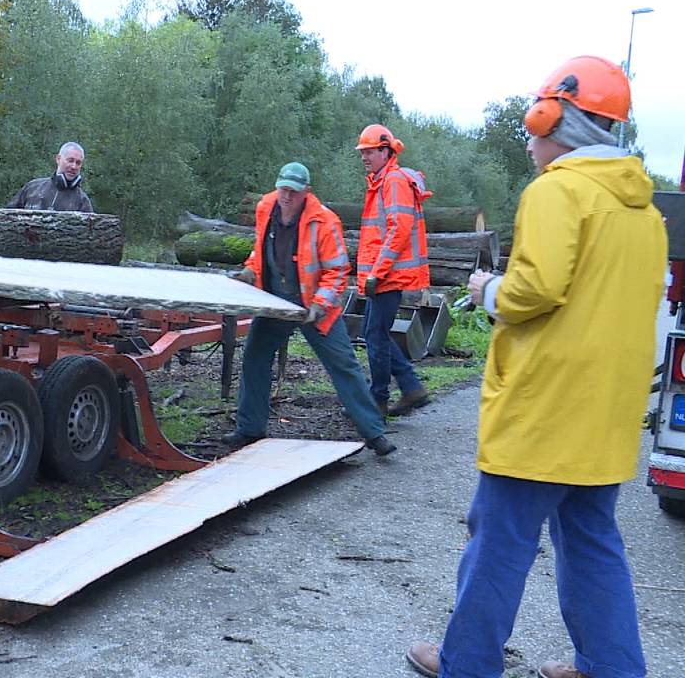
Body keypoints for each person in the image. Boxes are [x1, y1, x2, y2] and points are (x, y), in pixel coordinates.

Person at [405, 56, 664, 678]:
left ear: (555, 117)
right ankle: (610, 666)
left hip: (545, 409)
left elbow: (532, 293)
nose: (529, 132)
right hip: (606, 412)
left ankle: (467, 662)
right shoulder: (646, 215)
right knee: (592, 543)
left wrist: (485, 288)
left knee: (499, 543)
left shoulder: (557, 192)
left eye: (534, 116)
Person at [226, 162, 396, 457]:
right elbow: (261, 251)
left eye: (293, 191)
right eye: (283, 189)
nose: (287, 196)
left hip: (316, 305)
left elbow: (338, 270)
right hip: (277, 300)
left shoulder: (324, 221)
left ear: (306, 192)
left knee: (343, 364)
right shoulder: (266, 207)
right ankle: (249, 429)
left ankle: (375, 433)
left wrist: (319, 305)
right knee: (254, 357)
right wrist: (250, 272)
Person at [354, 123, 432, 418]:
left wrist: (377, 271)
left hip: (388, 275)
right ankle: (411, 387)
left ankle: (378, 401)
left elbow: (399, 229)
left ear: (385, 151)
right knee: (373, 332)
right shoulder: (381, 182)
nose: (364, 156)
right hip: (384, 274)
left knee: (375, 334)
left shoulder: (393, 181)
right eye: (362, 152)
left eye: (370, 151)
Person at [6, 141, 94, 212]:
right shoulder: (32, 188)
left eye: (78, 163)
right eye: (70, 161)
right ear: (58, 159)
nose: (74, 166)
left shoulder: (82, 201)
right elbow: (7, 218)